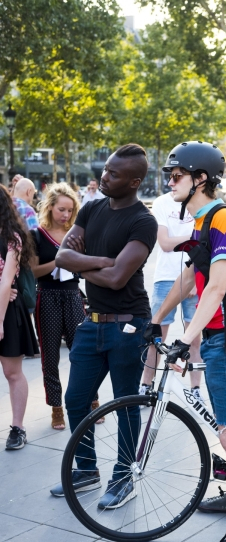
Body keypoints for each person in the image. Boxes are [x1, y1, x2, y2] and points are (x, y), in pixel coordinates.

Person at [148, 141, 226, 542]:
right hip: (217, 339)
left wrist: (184, 337)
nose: (169, 182)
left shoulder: (224, 219)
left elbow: (216, 286)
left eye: (175, 175)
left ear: (200, 178)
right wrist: (156, 319)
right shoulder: (201, 223)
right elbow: (192, 278)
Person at [49, 144, 158, 509]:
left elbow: (116, 279)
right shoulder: (93, 207)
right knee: (76, 399)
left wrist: (84, 262)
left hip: (128, 324)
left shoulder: (143, 221)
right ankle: (86, 471)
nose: (104, 176)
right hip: (91, 321)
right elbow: (60, 257)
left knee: (125, 403)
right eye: (106, 169)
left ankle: (124, 476)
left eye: (113, 173)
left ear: (134, 181)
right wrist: (100, 260)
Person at [138, 191, 204, 401]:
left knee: (194, 338)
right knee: (156, 336)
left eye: (179, 175)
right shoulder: (162, 203)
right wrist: (196, 238)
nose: (174, 181)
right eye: (173, 176)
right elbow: (165, 243)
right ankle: (146, 385)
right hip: (166, 277)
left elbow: (207, 244)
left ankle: (195, 390)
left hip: (195, 275)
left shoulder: (202, 201)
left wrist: (197, 275)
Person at [31, 182, 86, 430]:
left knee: (82, 354)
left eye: (70, 210)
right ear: (50, 207)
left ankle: (90, 399)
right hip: (48, 296)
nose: (65, 215)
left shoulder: (77, 234)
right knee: (50, 356)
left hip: (74, 296)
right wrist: (58, 260)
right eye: (61, 209)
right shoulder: (37, 234)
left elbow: (86, 267)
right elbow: (32, 271)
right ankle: (56, 408)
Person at [0, 185, 39, 450]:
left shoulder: (12, 238)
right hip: (5, 303)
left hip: (7, 311)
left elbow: (6, 284)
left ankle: (18, 427)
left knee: (13, 373)